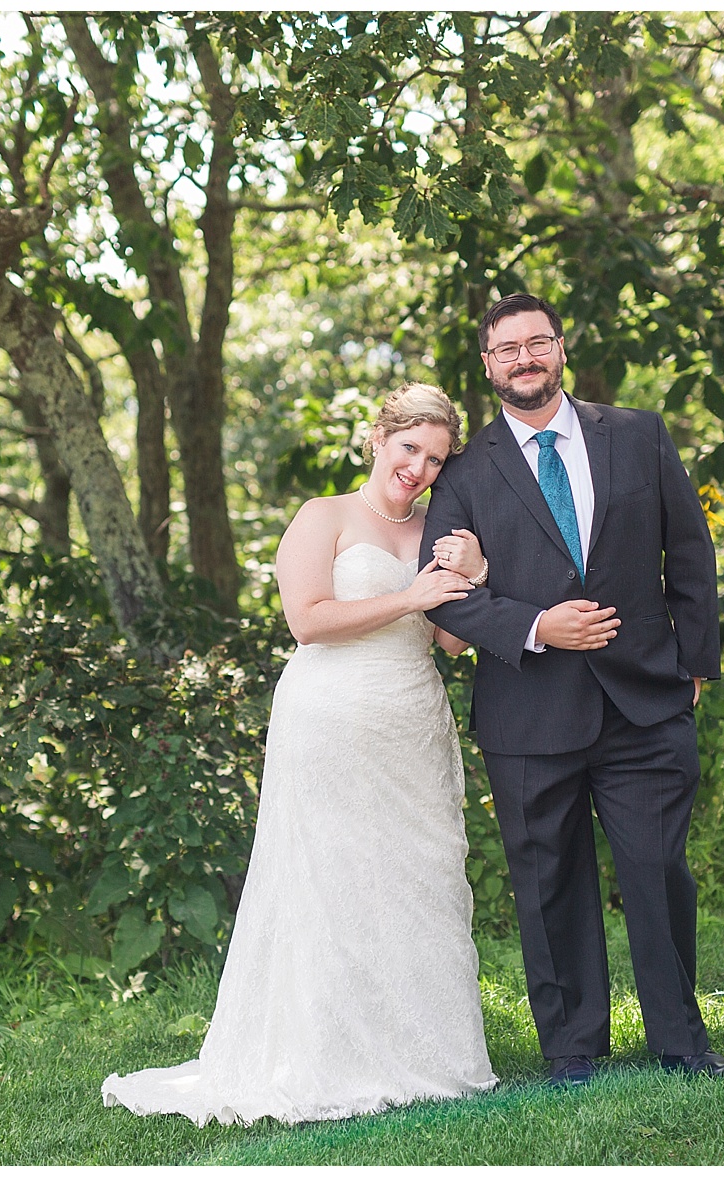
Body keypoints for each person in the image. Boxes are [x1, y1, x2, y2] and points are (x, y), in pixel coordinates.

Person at [102, 382, 497, 1126]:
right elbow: (308, 620)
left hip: (411, 721)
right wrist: (412, 598)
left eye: (436, 458)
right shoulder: (324, 516)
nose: (419, 467)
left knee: (418, 873)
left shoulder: (438, 529)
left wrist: (475, 574)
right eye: (409, 447)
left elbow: (450, 641)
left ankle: (422, 1053)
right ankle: (325, 1054)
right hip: (329, 717)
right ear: (378, 439)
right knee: (331, 876)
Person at [420, 292, 724, 1087]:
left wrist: (694, 665)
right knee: (547, 878)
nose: (524, 358)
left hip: (645, 702)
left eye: (537, 343)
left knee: (658, 872)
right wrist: (535, 627)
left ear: (561, 348)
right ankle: (571, 1047)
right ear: (486, 365)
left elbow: (689, 554)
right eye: (506, 349)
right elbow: (446, 592)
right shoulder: (461, 474)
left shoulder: (636, 435)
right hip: (528, 709)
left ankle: (680, 1041)